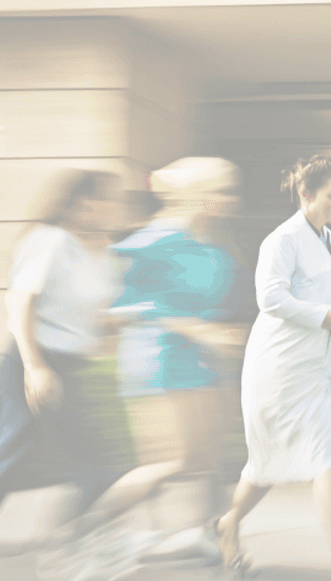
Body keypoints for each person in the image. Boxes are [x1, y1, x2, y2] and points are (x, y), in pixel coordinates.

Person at [0, 169, 128, 581]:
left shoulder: (98, 254)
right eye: (103, 200)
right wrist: (35, 367)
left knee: (98, 471)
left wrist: (129, 320)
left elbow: (93, 321)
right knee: (12, 458)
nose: (110, 208)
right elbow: (18, 303)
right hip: (30, 362)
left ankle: (65, 548)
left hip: (67, 367)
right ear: (78, 205)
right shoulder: (48, 240)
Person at [212, 154, 331, 581]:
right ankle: (232, 523)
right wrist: (322, 315)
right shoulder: (281, 241)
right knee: (267, 466)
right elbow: (270, 298)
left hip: (321, 374)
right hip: (281, 372)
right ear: (305, 194)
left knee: (325, 452)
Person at [99, 156, 255, 566]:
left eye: (228, 190)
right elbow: (123, 306)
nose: (226, 199)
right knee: (172, 462)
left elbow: (217, 309)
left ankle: (216, 542)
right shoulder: (154, 240)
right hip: (158, 360)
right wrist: (199, 329)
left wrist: (224, 335)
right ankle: (89, 532)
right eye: (217, 190)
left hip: (204, 366)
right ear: (192, 193)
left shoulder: (214, 249)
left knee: (206, 463)